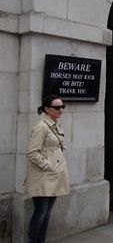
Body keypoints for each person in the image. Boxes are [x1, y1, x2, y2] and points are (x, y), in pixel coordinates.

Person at [24, 95, 70, 243]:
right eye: (57, 107)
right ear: (46, 108)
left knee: (47, 212)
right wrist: (48, 166)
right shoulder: (41, 126)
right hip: (44, 176)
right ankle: (33, 240)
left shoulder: (55, 124)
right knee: (41, 212)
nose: (61, 109)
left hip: (55, 175)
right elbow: (32, 152)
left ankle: (41, 240)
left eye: (62, 106)